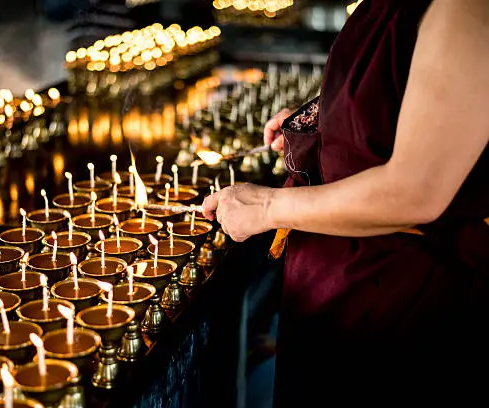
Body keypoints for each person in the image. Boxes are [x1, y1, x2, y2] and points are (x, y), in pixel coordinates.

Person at [202, 0, 489, 404]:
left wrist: (266, 208)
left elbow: (416, 190)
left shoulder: (464, 8)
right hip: (340, 287)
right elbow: (395, 98)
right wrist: (326, 123)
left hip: (400, 303)